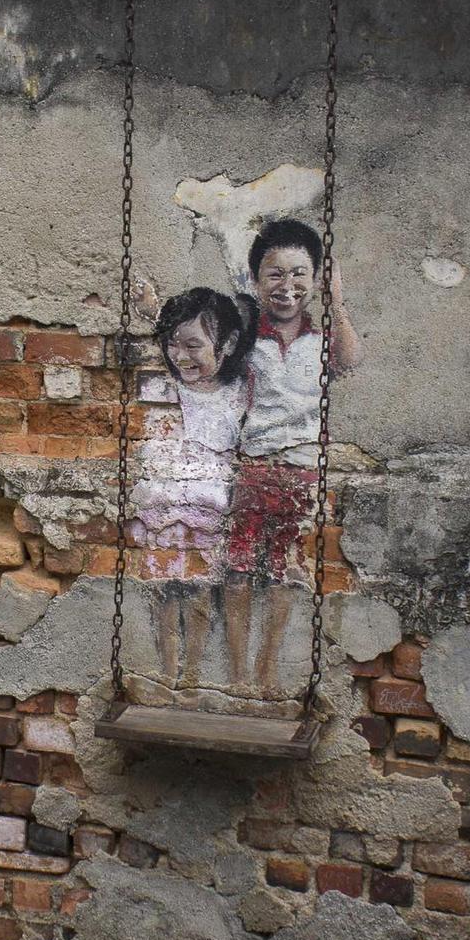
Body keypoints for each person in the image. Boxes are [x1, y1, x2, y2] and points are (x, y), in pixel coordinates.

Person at [222, 219, 361, 697]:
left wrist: (337, 303)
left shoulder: (322, 342)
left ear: (316, 280)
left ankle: (267, 668)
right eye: (275, 275)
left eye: (299, 274)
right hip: (254, 468)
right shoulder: (243, 340)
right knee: (239, 568)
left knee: (282, 569)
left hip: (302, 472)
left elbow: (349, 361)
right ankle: (238, 671)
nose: (287, 287)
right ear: (256, 280)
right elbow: (191, 337)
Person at [129, 288, 256, 701]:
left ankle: (194, 673)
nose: (180, 355)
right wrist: (151, 311)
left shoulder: (237, 392)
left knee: (200, 595)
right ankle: (165, 671)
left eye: (193, 345)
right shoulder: (162, 389)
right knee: (164, 593)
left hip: (208, 512)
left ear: (228, 345)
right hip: (160, 512)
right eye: (173, 344)